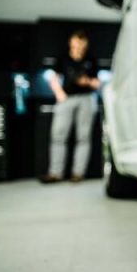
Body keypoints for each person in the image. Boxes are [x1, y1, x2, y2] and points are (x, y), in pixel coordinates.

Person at [39, 29, 100, 183]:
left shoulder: (91, 60)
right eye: (76, 43)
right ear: (71, 43)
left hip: (86, 99)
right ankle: (55, 173)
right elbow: (53, 79)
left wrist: (88, 82)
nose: (78, 47)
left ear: (85, 44)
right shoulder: (63, 59)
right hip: (66, 99)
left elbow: (97, 83)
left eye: (81, 44)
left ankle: (78, 173)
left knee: (83, 137)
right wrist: (60, 95)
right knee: (58, 136)